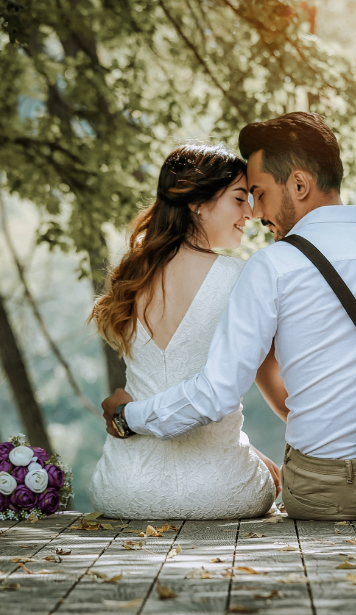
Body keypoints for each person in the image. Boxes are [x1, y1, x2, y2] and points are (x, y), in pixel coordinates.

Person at [102, 112, 356, 520]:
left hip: (313, 495)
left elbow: (217, 393)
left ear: (299, 185)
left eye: (259, 193)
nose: (256, 212)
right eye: (245, 196)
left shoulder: (270, 267)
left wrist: (130, 416)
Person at [88, 143, 278, 519]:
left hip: (123, 489)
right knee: (274, 479)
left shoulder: (131, 277)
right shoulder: (240, 277)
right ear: (197, 203)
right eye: (239, 199)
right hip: (222, 492)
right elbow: (228, 396)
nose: (251, 212)